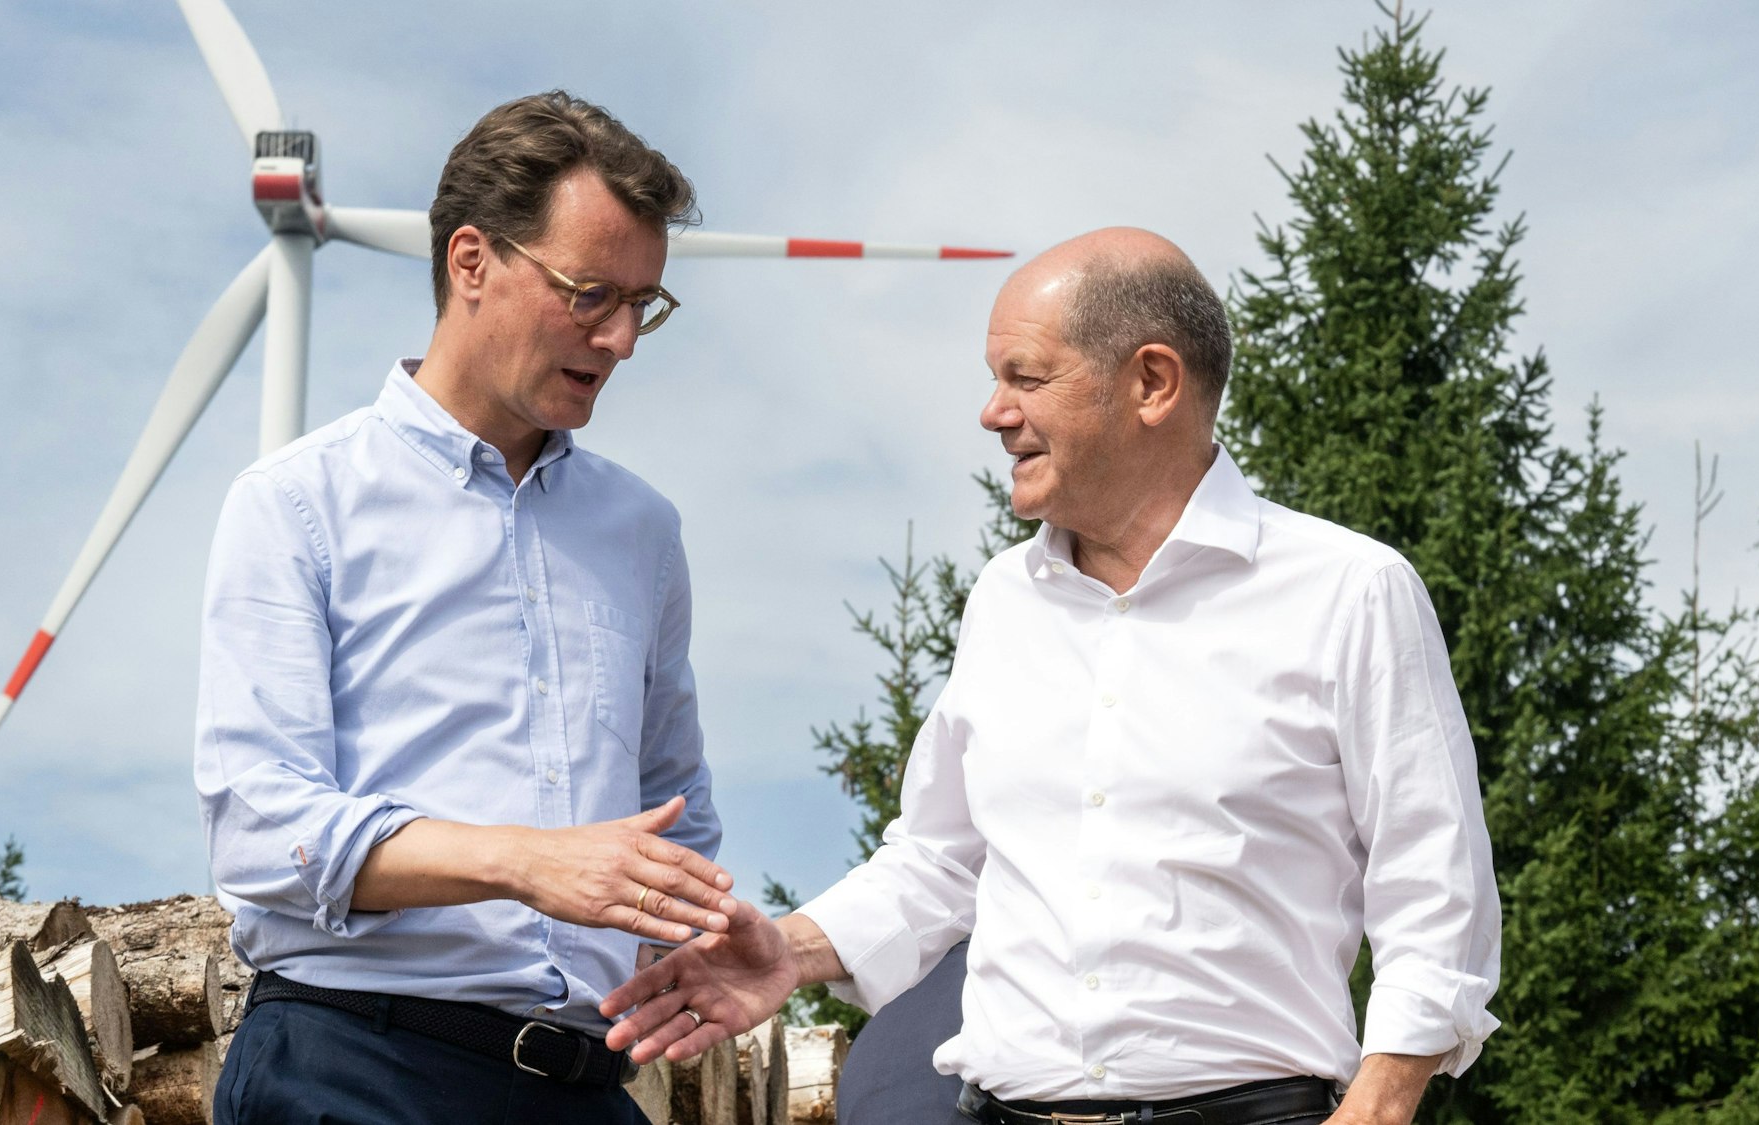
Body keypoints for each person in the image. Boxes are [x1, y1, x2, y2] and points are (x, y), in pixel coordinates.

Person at [602, 228, 1501, 1125]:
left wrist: (1380, 1104)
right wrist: (792, 951)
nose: (993, 413)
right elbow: (939, 861)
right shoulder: (1002, 601)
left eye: (1026, 378)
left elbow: (1435, 893)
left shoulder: (1352, 590)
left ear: (1152, 383)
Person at [194, 91, 739, 1125]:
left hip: (586, 1090)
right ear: (471, 262)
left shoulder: (644, 531)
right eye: (590, 294)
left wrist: (710, 936)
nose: (620, 338)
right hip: (350, 1067)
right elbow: (260, 828)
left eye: (643, 304)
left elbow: (677, 804)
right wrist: (525, 864)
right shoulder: (297, 503)